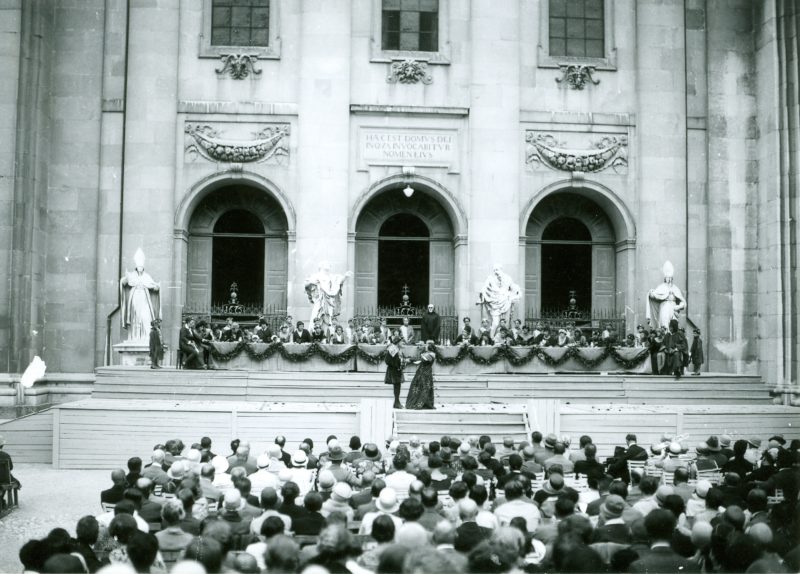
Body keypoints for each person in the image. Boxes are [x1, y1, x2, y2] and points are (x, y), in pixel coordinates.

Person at [119, 248, 161, 342]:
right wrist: (124, 280)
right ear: (136, 266)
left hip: (145, 299)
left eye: (141, 267)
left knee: (146, 316)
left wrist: (157, 287)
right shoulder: (132, 275)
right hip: (135, 298)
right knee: (135, 317)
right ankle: (135, 337)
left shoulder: (146, 276)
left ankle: (146, 336)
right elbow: (124, 282)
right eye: (138, 267)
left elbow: (153, 286)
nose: (140, 268)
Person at [304, 261, 351, 329]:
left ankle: (327, 335)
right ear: (321, 266)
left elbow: (339, 281)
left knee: (329, 318)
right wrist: (312, 282)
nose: (328, 266)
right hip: (319, 301)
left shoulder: (331, 277)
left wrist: (345, 277)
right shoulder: (316, 276)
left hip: (328, 302)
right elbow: (306, 284)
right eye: (326, 264)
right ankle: (314, 333)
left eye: (329, 265)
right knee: (317, 315)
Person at [478, 264, 521, 338]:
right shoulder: (490, 278)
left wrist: (518, 291)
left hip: (505, 302)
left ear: (501, 269)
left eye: (497, 269)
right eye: (494, 270)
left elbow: (513, 287)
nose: (495, 272)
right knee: (495, 322)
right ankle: (491, 338)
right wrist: (482, 294)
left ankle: (505, 339)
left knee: (506, 322)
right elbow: (484, 287)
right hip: (494, 303)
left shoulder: (508, 278)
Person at [647, 260, 686, 330]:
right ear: (665, 278)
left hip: (673, 307)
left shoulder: (675, 288)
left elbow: (682, 301)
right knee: (664, 323)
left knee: (673, 324)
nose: (669, 279)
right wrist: (651, 293)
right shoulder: (661, 287)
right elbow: (654, 295)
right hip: (664, 307)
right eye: (667, 277)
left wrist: (679, 306)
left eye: (670, 278)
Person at [406, 340, 436, 410]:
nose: (425, 346)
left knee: (424, 387)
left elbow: (420, 360)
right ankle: (421, 402)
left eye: (426, 345)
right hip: (422, 372)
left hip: (425, 373)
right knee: (420, 386)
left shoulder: (431, 354)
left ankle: (420, 403)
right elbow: (419, 360)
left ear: (429, 346)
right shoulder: (427, 353)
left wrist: (410, 360)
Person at [384, 337, 405, 409]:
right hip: (394, 369)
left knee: (397, 385)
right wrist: (396, 365)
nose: (402, 343)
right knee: (397, 385)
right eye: (401, 342)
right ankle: (396, 402)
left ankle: (397, 401)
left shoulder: (397, 349)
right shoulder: (392, 349)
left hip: (397, 369)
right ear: (398, 342)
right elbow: (387, 360)